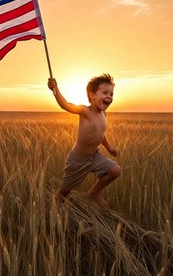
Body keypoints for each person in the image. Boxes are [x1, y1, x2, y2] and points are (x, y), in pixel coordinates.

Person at [48, 74, 121, 209]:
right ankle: (52, 211)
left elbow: (100, 134)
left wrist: (109, 148)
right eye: (105, 92)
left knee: (115, 170)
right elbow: (66, 105)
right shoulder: (85, 111)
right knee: (64, 193)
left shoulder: (103, 115)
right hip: (78, 160)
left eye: (111, 94)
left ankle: (94, 192)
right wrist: (55, 90)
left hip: (94, 156)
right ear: (92, 95)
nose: (109, 96)